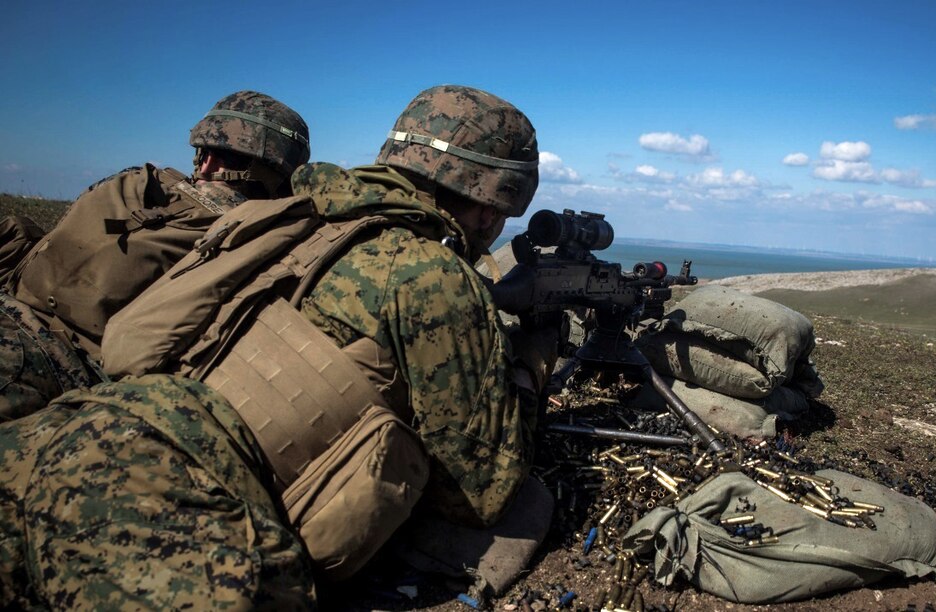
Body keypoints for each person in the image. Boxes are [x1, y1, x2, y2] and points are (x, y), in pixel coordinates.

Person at [0, 85, 558, 608]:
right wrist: (531, 364)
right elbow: (483, 491)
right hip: (164, 503)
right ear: (491, 205)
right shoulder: (428, 273)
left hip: (60, 431)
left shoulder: (293, 214)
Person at [0, 90, 310, 421]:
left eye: (213, 153)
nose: (205, 161)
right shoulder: (252, 231)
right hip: (53, 362)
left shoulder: (136, 181)